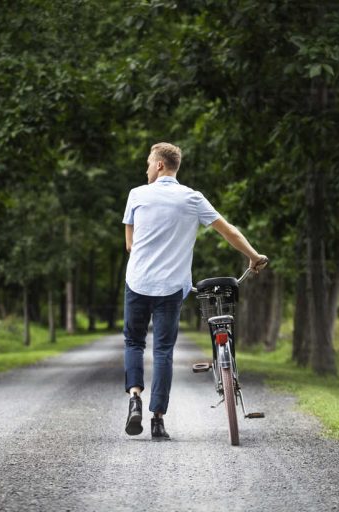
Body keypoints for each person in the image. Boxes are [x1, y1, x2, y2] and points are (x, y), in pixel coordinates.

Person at [122, 142, 268, 440]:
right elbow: (228, 231)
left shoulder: (136, 195)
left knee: (134, 343)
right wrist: (254, 256)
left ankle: (134, 398)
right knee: (163, 350)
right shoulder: (193, 198)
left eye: (149, 162)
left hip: (137, 282)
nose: (146, 168)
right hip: (172, 286)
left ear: (160, 165)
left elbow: (130, 245)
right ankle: (158, 420)